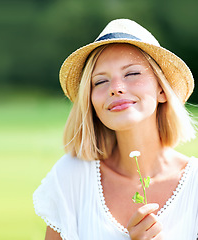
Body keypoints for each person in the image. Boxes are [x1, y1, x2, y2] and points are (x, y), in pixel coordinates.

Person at [33, 19, 198, 240]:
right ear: (90, 100)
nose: (116, 88)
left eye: (132, 74)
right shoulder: (71, 177)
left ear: (162, 90)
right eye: (100, 81)